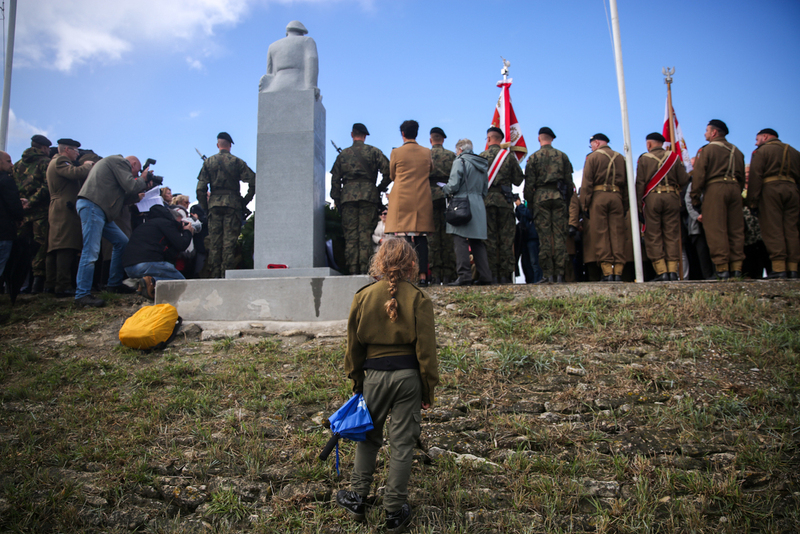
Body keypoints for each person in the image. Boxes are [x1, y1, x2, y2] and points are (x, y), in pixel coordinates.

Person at [336, 237, 438, 534]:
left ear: (379, 262)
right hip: (408, 378)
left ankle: (357, 498)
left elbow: (353, 347)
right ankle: (394, 511)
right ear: (411, 264)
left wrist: (357, 382)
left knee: (368, 438)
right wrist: (427, 389)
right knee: (403, 443)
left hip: (374, 377)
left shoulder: (364, 296)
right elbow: (427, 352)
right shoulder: (419, 298)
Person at [74, 155, 153, 307]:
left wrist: (138, 196)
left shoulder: (114, 169)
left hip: (100, 209)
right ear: (133, 164)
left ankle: (114, 284)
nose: (136, 175)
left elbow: (122, 197)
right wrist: (142, 179)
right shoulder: (120, 162)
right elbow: (131, 186)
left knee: (122, 242)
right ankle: (82, 295)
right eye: (136, 172)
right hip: (93, 206)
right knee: (91, 251)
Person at [329, 123, 391, 274]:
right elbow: (389, 173)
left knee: (351, 235)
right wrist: (378, 189)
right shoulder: (374, 152)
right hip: (369, 196)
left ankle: (352, 269)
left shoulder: (343, 155)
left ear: (352, 134)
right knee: (366, 233)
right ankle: (365, 269)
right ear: (365, 136)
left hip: (348, 198)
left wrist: (337, 200)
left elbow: (335, 181)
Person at [689, 119, 746, 279]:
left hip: (715, 189)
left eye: (707, 131)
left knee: (716, 230)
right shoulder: (737, 151)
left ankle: (722, 268)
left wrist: (695, 198)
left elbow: (699, 176)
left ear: (714, 132)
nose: (705, 134)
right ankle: (736, 268)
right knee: (736, 230)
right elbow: (741, 177)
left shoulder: (706, 150)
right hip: (734, 189)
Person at [196, 132, 255, 278]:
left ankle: (215, 275)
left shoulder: (209, 162)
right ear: (230, 146)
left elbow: (200, 189)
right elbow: (254, 181)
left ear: (218, 145)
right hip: (232, 204)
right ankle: (226, 275)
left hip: (214, 205)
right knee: (229, 242)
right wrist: (244, 201)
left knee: (215, 242)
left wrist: (205, 207)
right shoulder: (237, 162)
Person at [746, 128, 800, 278]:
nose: (756, 143)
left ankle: (778, 267)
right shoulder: (794, 152)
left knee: (773, 228)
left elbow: (755, 177)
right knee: (791, 230)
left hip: (771, 190)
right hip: (793, 190)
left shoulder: (761, 152)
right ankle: (793, 268)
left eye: (757, 139)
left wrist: (752, 202)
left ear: (765, 137)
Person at [635, 132, 689, 281]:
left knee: (653, 235)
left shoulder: (644, 159)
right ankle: (672, 271)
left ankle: (662, 271)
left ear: (649, 144)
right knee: (672, 234)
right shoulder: (674, 157)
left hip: (652, 199)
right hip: (672, 197)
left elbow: (640, 184)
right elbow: (684, 179)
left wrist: (638, 206)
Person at [385, 120, 433, 286]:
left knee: (403, 239)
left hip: (402, 198)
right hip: (421, 197)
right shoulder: (426, 152)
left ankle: (405, 276)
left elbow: (392, 175)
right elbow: (431, 169)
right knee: (421, 238)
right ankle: (423, 276)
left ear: (403, 134)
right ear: (416, 133)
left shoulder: (396, 152)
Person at [46, 139, 95, 298]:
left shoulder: (55, 161)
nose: (77, 154)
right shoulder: (61, 160)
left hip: (61, 207)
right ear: (67, 149)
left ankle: (52, 284)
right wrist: (87, 165)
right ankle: (63, 285)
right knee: (65, 246)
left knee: (57, 246)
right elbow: (75, 173)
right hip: (64, 209)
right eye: (75, 150)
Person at [524, 126, 574, 284]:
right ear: (552, 139)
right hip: (558, 197)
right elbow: (569, 183)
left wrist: (531, 205)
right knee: (559, 236)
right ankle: (560, 274)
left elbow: (528, 185)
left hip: (540, 198)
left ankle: (548, 274)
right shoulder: (562, 156)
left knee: (544, 238)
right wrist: (566, 200)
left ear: (539, 138)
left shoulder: (533, 158)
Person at [442, 138, 492, 286]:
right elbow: (485, 189)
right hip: (478, 204)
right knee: (477, 242)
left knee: (460, 239)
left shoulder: (460, 161)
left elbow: (453, 185)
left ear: (460, 150)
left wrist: (444, 189)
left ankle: (464, 275)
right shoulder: (481, 164)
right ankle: (485, 276)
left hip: (462, 203)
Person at [580, 133, 628, 281]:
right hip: (617, 197)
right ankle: (618, 271)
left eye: (592, 145)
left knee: (601, 234)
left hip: (599, 197)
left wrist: (585, 205)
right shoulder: (621, 158)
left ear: (596, 143)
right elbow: (627, 185)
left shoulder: (592, 157)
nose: (591, 148)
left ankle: (607, 271)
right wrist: (625, 205)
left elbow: (587, 183)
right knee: (617, 234)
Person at [480, 126, 524, 284]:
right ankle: (505, 275)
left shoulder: (481, 157)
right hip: (505, 202)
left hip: (486, 203)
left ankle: (492, 275)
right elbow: (518, 180)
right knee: (506, 239)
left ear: (488, 139)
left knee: (489, 239)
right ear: (501, 140)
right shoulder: (508, 157)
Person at [122, 204, 195, 299]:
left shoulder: (145, 226)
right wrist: (187, 232)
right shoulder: (165, 223)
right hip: (147, 264)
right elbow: (181, 245)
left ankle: (139, 283)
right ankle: (152, 281)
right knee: (180, 282)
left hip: (129, 268)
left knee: (167, 273)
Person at [12, 134, 52, 293]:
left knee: (20, 246)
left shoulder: (17, 165)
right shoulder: (45, 162)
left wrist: (20, 202)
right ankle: (37, 284)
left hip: (22, 213)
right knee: (41, 245)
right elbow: (48, 185)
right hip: (40, 212)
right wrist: (32, 201)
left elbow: (11, 187)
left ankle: (16, 285)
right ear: (44, 148)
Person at [428, 127, 457, 284]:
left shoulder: (426, 155)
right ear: (443, 139)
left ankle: (435, 274)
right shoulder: (451, 156)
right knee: (448, 236)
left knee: (432, 237)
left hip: (429, 198)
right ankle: (448, 274)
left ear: (431, 140)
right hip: (448, 197)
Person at [259, 20, 319, 95]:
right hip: (298, 84)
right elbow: (312, 61)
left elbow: (269, 73)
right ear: (301, 32)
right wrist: (311, 86)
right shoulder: (307, 41)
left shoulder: (272, 46)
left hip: (274, 86)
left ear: (287, 33)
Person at [0, 151, 24, 277]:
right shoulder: (6, 180)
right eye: (8, 161)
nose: (12, 165)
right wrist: (20, 217)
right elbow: (13, 205)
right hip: (4, 232)